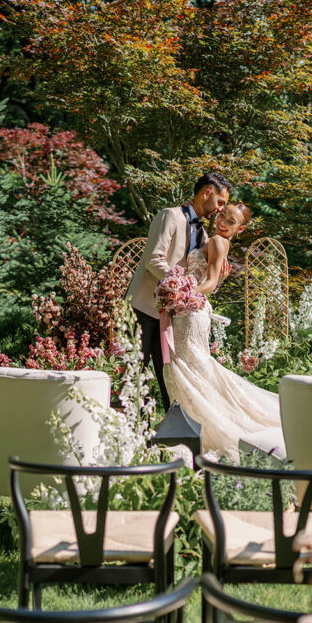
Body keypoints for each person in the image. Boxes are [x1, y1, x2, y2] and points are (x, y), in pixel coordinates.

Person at [162, 203, 285, 462]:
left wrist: (182, 293)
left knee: (192, 368)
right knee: (192, 368)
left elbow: (209, 282)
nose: (223, 222)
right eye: (222, 215)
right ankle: (191, 426)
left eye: (231, 221)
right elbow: (213, 281)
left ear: (240, 229)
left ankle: (202, 429)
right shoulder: (213, 240)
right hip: (189, 309)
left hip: (192, 310)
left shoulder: (218, 241)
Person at [127, 172, 232, 411]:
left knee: (170, 380)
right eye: (220, 202)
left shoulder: (205, 236)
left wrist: (219, 278)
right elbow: (153, 260)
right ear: (207, 192)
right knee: (135, 377)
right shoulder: (169, 216)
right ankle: (136, 439)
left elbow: (201, 282)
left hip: (172, 316)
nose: (220, 209)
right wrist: (180, 284)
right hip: (142, 308)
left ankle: (171, 439)